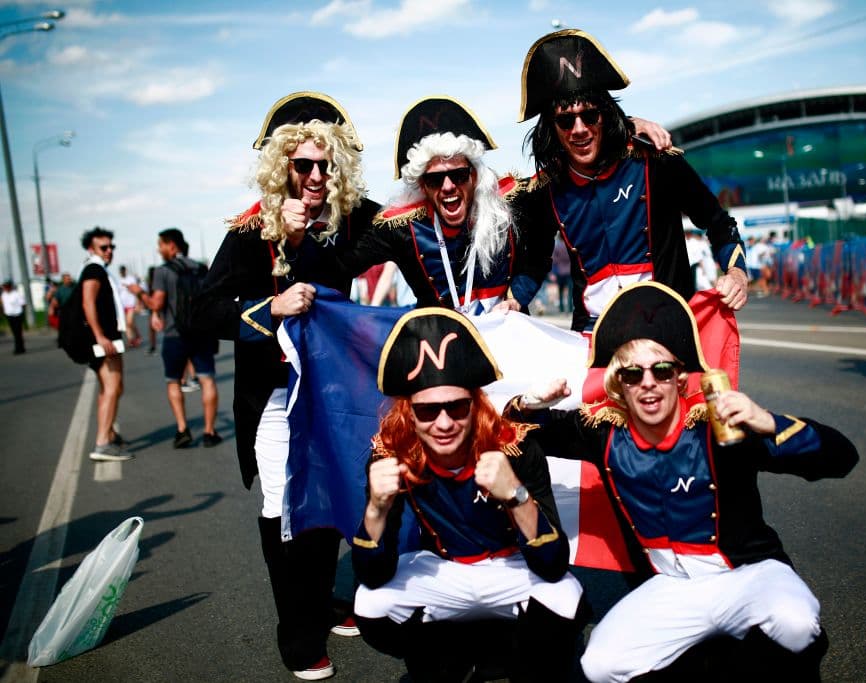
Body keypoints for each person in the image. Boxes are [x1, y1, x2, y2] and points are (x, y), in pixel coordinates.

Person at [510, 281, 858, 681]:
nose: (648, 382)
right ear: (618, 383)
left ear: (679, 378)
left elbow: (842, 458)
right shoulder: (602, 433)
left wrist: (769, 423)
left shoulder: (720, 429)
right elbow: (518, 433)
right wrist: (529, 403)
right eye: (632, 373)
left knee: (795, 623)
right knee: (600, 665)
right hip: (671, 587)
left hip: (747, 575)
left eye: (661, 370)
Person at [191, 91, 377, 680]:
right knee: (283, 503)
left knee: (330, 497)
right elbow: (201, 311)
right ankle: (297, 634)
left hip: (336, 392)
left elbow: (417, 215)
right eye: (304, 165)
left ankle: (318, 601)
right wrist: (269, 307)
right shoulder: (253, 228)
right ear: (283, 167)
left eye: (326, 164)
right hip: (272, 394)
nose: (316, 176)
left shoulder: (353, 216)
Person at [352, 308, 587, 681]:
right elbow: (373, 574)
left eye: (457, 407)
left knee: (567, 599)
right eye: (428, 411)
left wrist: (516, 496)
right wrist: (376, 510)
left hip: (511, 567)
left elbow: (553, 564)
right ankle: (446, 658)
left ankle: (516, 660)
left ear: (475, 403)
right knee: (370, 603)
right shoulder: (392, 454)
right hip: (444, 568)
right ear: (409, 412)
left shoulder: (513, 446)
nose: (444, 423)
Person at [517, 29, 749, 332]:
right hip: (592, 335)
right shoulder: (544, 190)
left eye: (590, 116)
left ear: (605, 115)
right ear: (551, 128)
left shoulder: (658, 161)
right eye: (565, 120)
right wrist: (513, 301)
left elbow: (717, 222)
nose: (579, 129)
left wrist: (737, 273)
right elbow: (534, 261)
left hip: (665, 327)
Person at [336, 96, 549, 314]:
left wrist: (517, 297)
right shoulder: (401, 227)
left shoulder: (509, 204)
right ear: (422, 185)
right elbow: (339, 267)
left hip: (506, 330)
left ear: (474, 175)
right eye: (435, 179)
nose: (448, 186)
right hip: (441, 335)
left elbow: (540, 251)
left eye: (458, 175)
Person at [129, 229, 221, 448]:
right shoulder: (200, 267)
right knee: (207, 380)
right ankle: (209, 432)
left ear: (171, 245)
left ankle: (182, 429)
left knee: (173, 381)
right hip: (201, 332)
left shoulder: (163, 271)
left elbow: (157, 303)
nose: (159, 249)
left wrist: (138, 292)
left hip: (175, 334)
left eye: (160, 245)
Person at [79, 227, 132, 462]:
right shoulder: (93, 269)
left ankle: (108, 434)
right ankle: (102, 443)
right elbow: (88, 303)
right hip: (103, 339)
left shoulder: (99, 268)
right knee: (112, 387)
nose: (109, 250)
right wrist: (100, 336)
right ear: (91, 249)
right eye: (103, 247)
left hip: (109, 337)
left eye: (111, 246)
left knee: (111, 388)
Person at [118, 265, 143, 347]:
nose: (122, 272)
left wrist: (138, 303)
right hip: (122, 304)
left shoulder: (131, 279)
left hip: (131, 303)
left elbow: (137, 290)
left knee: (129, 322)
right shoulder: (119, 281)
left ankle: (137, 335)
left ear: (125, 271)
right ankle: (131, 340)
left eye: (123, 271)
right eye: (121, 271)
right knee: (127, 324)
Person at [2, 280, 26, 355]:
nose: (5, 288)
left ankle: (19, 348)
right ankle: (20, 347)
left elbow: (23, 304)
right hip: (9, 315)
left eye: (6, 286)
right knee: (14, 332)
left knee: (18, 332)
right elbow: (3, 304)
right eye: (4, 287)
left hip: (17, 314)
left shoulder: (16, 294)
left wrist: (23, 314)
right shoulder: (4, 295)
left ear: (10, 286)